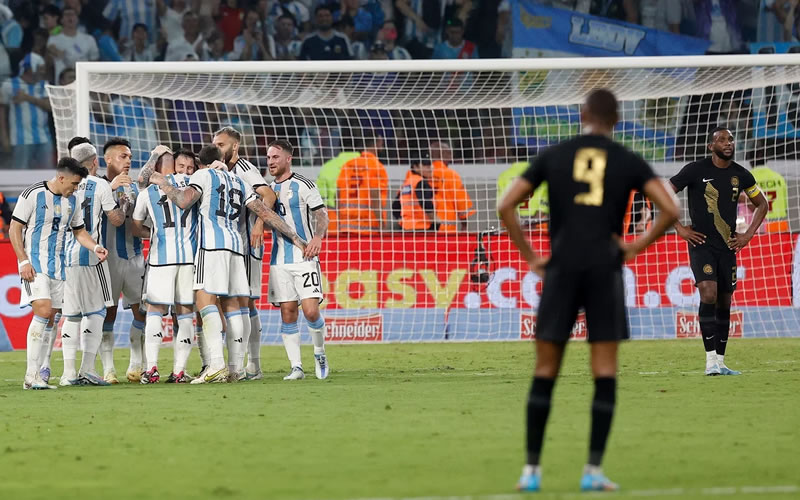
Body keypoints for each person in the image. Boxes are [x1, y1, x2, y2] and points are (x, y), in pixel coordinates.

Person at [498, 89, 679, 492]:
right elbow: (671, 211)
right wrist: (633, 246)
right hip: (604, 269)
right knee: (604, 372)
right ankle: (593, 471)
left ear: (582, 114)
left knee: (545, 371)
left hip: (561, 269)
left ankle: (531, 472)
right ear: (617, 119)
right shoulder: (628, 159)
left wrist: (531, 256)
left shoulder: (555, 154)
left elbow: (506, 205)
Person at [144, 144, 305, 384]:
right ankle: (235, 368)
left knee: (204, 300)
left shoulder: (202, 175)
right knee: (234, 307)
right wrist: (294, 236)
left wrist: (164, 183)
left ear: (201, 163)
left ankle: (216, 365)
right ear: (220, 159)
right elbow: (264, 211)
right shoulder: (237, 180)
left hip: (211, 247)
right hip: (237, 248)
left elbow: (183, 200)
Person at [670, 127, 768, 376]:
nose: (728, 143)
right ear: (710, 146)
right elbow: (663, 193)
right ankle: (710, 361)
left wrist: (747, 235)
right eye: (722, 139)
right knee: (709, 292)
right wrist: (679, 228)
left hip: (728, 247)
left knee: (725, 302)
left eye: (731, 139)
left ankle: (721, 363)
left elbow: (762, 204)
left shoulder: (741, 174)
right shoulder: (695, 170)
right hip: (701, 244)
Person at [10, 157, 110, 390]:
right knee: (43, 310)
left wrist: (94, 246)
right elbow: (15, 228)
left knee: (50, 318)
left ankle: (38, 374)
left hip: (58, 266)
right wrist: (23, 260)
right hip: (34, 265)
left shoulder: (72, 201)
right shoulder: (32, 194)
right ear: (61, 177)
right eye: (74, 184)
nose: (75, 189)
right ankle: (31, 374)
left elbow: (79, 231)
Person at [57, 142, 128, 386]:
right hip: (91, 255)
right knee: (96, 313)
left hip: (65, 257)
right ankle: (87, 369)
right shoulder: (100, 185)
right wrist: (123, 203)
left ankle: (67, 374)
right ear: (95, 162)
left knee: (71, 315)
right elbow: (116, 220)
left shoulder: (63, 184)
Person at [211, 126, 278, 379]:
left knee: (245, 301)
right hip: (228, 246)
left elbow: (268, 195)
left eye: (222, 145)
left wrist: (260, 224)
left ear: (235, 147)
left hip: (247, 244)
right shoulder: (218, 171)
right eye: (215, 144)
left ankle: (253, 365)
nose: (218, 149)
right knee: (230, 302)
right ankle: (239, 363)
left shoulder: (245, 169)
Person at [132, 148, 199, 384]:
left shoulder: (148, 192)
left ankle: (151, 369)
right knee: (185, 314)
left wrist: (155, 233)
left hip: (161, 258)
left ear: (158, 167)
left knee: (154, 312)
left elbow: (135, 226)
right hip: (190, 258)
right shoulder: (196, 186)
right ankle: (179, 371)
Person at [265, 140, 330, 381]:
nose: (271, 161)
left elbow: (322, 214)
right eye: (269, 157)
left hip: (304, 258)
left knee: (311, 312)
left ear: (288, 158)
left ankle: (320, 353)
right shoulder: (268, 190)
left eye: (275, 157)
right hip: (279, 260)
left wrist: (317, 237)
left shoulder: (304, 185)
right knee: (288, 312)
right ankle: (296, 367)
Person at [100, 137, 145, 384]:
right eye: (122, 156)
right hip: (107, 261)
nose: (128, 161)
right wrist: (110, 188)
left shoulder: (136, 189)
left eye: (129, 156)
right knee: (108, 314)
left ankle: (136, 366)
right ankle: (108, 369)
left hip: (135, 257)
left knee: (143, 312)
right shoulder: (95, 186)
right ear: (108, 159)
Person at [0, 53, 53, 170]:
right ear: (30, 68)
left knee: (47, 174)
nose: (43, 71)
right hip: (20, 139)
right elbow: (2, 113)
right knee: (19, 174)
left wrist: (27, 98)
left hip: (44, 138)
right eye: (40, 68)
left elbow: (49, 107)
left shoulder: (44, 84)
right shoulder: (9, 84)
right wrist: (4, 137)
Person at [336, 134, 389, 233]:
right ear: (377, 143)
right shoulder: (377, 166)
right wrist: (382, 224)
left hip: (346, 226)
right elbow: (375, 196)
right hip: (368, 226)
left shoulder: (347, 165)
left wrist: (340, 221)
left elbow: (338, 195)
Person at [46, 6, 99, 86]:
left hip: (84, 82)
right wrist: (56, 52)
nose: (70, 17)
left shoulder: (89, 39)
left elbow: (94, 62)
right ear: (61, 19)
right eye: (67, 15)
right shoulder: (53, 39)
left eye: (73, 15)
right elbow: (50, 53)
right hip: (63, 84)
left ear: (77, 19)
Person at [429, 141, 474, 232]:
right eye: (449, 154)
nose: (451, 158)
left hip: (420, 229)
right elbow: (462, 204)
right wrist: (464, 225)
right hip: (446, 229)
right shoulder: (451, 175)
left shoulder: (417, 174)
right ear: (443, 155)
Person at [394, 153, 438, 231]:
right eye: (426, 164)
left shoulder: (407, 183)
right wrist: (436, 221)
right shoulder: (421, 182)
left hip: (406, 227)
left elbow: (395, 206)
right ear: (415, 167)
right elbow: (426, 203)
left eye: (431, 164)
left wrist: (402, 220)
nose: (431, 167)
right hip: (422, 227)